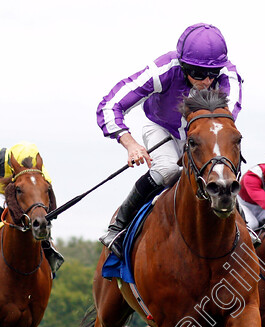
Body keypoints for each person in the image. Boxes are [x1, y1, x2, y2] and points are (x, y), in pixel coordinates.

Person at [96, 23, 243, 258]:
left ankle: (244, 225)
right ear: (183, 65)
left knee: (224, 170)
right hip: (162, 128)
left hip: (203, 135)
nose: (206, 81)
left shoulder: (229, 76)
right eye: (197, 73)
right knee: (167, 171)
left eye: (212, 74)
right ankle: (118, 226)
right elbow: (110, 105)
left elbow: (226, 123)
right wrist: (130, 144)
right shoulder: (163, 69)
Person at [0, 142, 64, 273]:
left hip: (22, 198)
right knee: (3, 204)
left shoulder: (33, 162)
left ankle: (46, 245)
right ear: (13, 162)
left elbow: (45, 184)